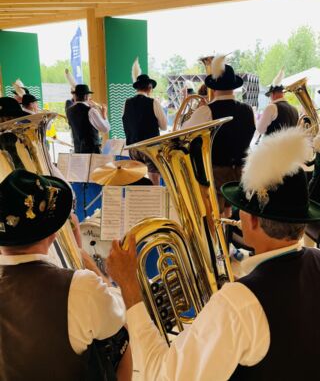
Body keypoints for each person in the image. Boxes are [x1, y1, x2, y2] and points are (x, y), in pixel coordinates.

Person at [106, 127, 320, 381]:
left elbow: (163, 375)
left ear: (252, 221)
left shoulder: (238, 303)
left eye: (238, 208)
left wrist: (130, 285)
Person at [0, 168, 132, 380]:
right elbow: (120, 317)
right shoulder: (81, 287)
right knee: (121, 336)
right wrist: (88, 263)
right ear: (54, 234)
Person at [183, 55, 255, 217]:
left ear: (214, 88)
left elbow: (184, 132)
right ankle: (229, 237)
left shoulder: (207, 110)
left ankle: (219, 240)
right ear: (233, 87)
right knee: (233, 209)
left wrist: (197, 112)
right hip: (242, 170)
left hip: (217, 171)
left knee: (216, 215)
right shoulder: (248, 110)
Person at [122, 73, 167, 185]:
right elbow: (164, 126)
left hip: (133, 147)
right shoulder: (153, 102)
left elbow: (126, 122)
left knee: (137, 181)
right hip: (150, 147)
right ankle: (154, 202)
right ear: (150, 88)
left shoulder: (126, 103)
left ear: (137, 88)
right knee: (154, 183)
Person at [66, 84, 110, 154]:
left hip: (78, 152)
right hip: (92, 153)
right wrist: (104, 114)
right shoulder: (91, 111)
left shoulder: (69, 111)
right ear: (86, 96)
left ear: (75, 96)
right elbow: (105, 129)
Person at [256, 68, 299, 136]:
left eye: (269, 95)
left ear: (272, 94)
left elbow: (260, 129)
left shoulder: (271, 107)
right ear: (283, 94)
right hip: (289, 145)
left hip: (272, 145)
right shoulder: (295, 109)